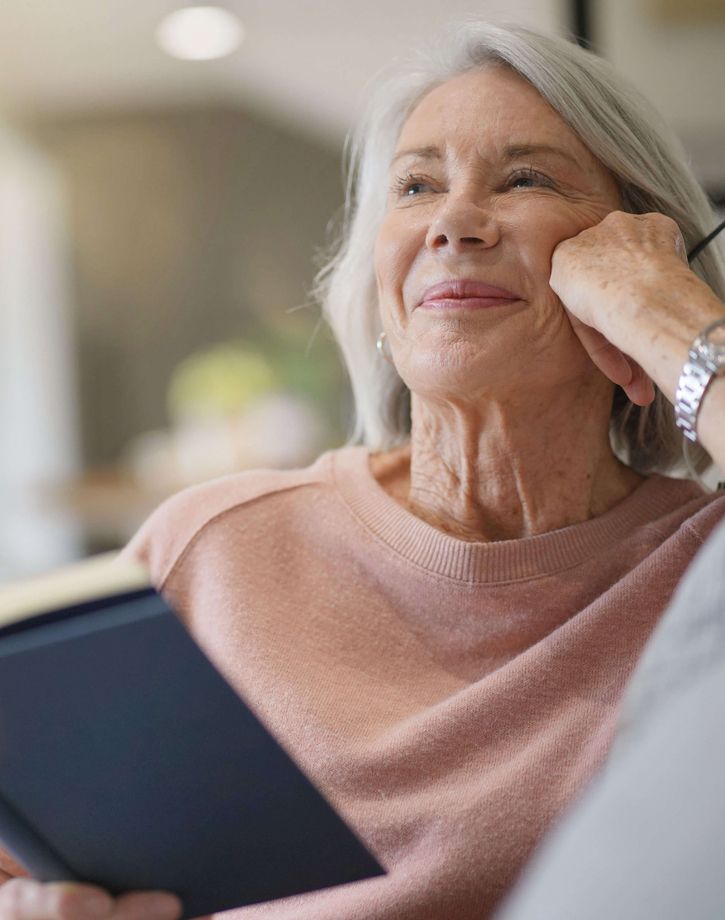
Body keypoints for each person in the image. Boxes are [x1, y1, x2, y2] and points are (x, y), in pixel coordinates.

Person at [1, 19, 724, 920]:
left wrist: (675, 328)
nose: (453, 222)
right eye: (416, 185)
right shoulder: (215, 549)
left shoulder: (703, 567)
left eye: (525, 179)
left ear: (636, 253)